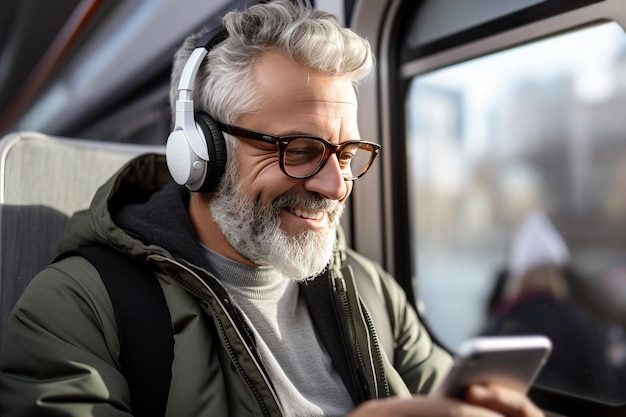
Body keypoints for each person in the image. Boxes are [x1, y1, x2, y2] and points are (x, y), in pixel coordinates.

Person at [0, 1, 544, 416]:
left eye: (349, 152)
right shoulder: (78, 308)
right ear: (201, 153)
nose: (336, 186)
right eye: (300, 150)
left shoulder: (370, 291)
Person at [483, 211, 620, 399]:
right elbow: (608, 392)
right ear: (558, 275)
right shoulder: (583, 324)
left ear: (517, 278)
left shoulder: (497, 327)